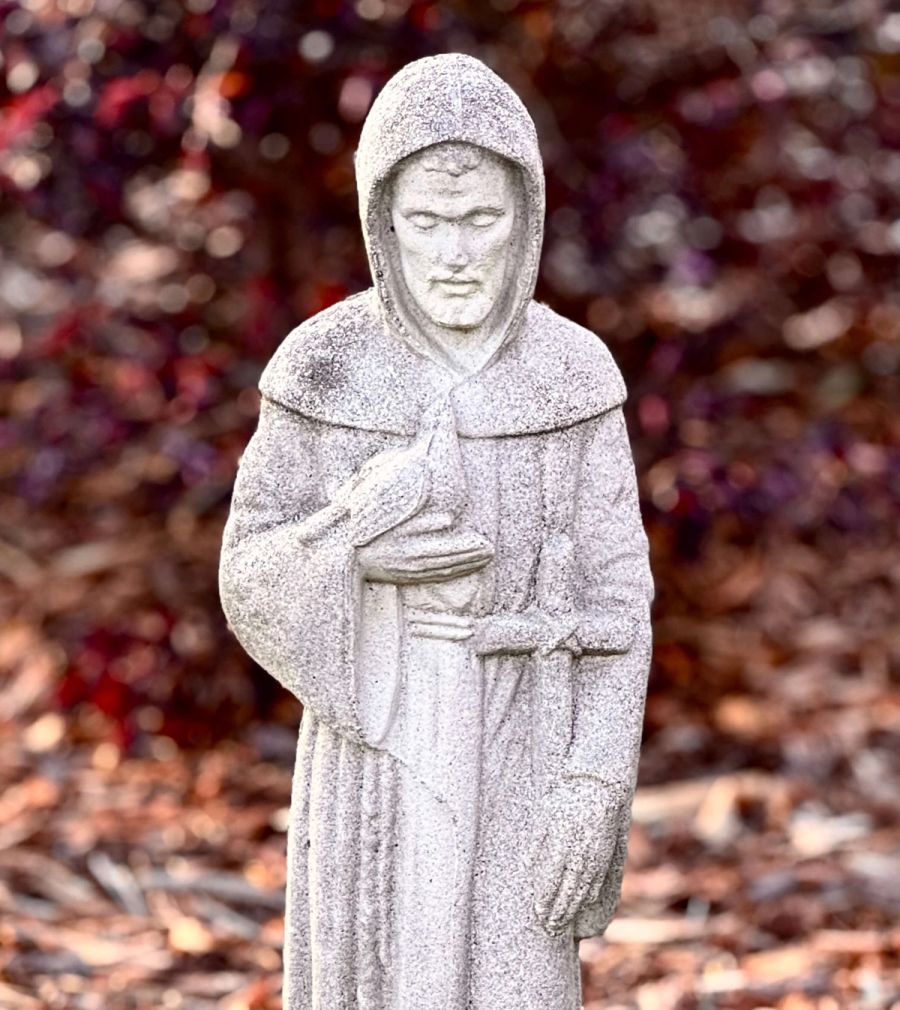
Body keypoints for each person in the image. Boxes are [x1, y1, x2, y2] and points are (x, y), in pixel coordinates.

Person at [219, 53, 653, 1010]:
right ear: (382, 225)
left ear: (527, 219)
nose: (455, 252)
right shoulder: (326, 368)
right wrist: (349, 551)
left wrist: (594, 783)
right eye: (425, 223)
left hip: (527, 748)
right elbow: (248, 569)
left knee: (519, 979)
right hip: (372, 756)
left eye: (481, 220)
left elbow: (621, 606)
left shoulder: (573, 376)